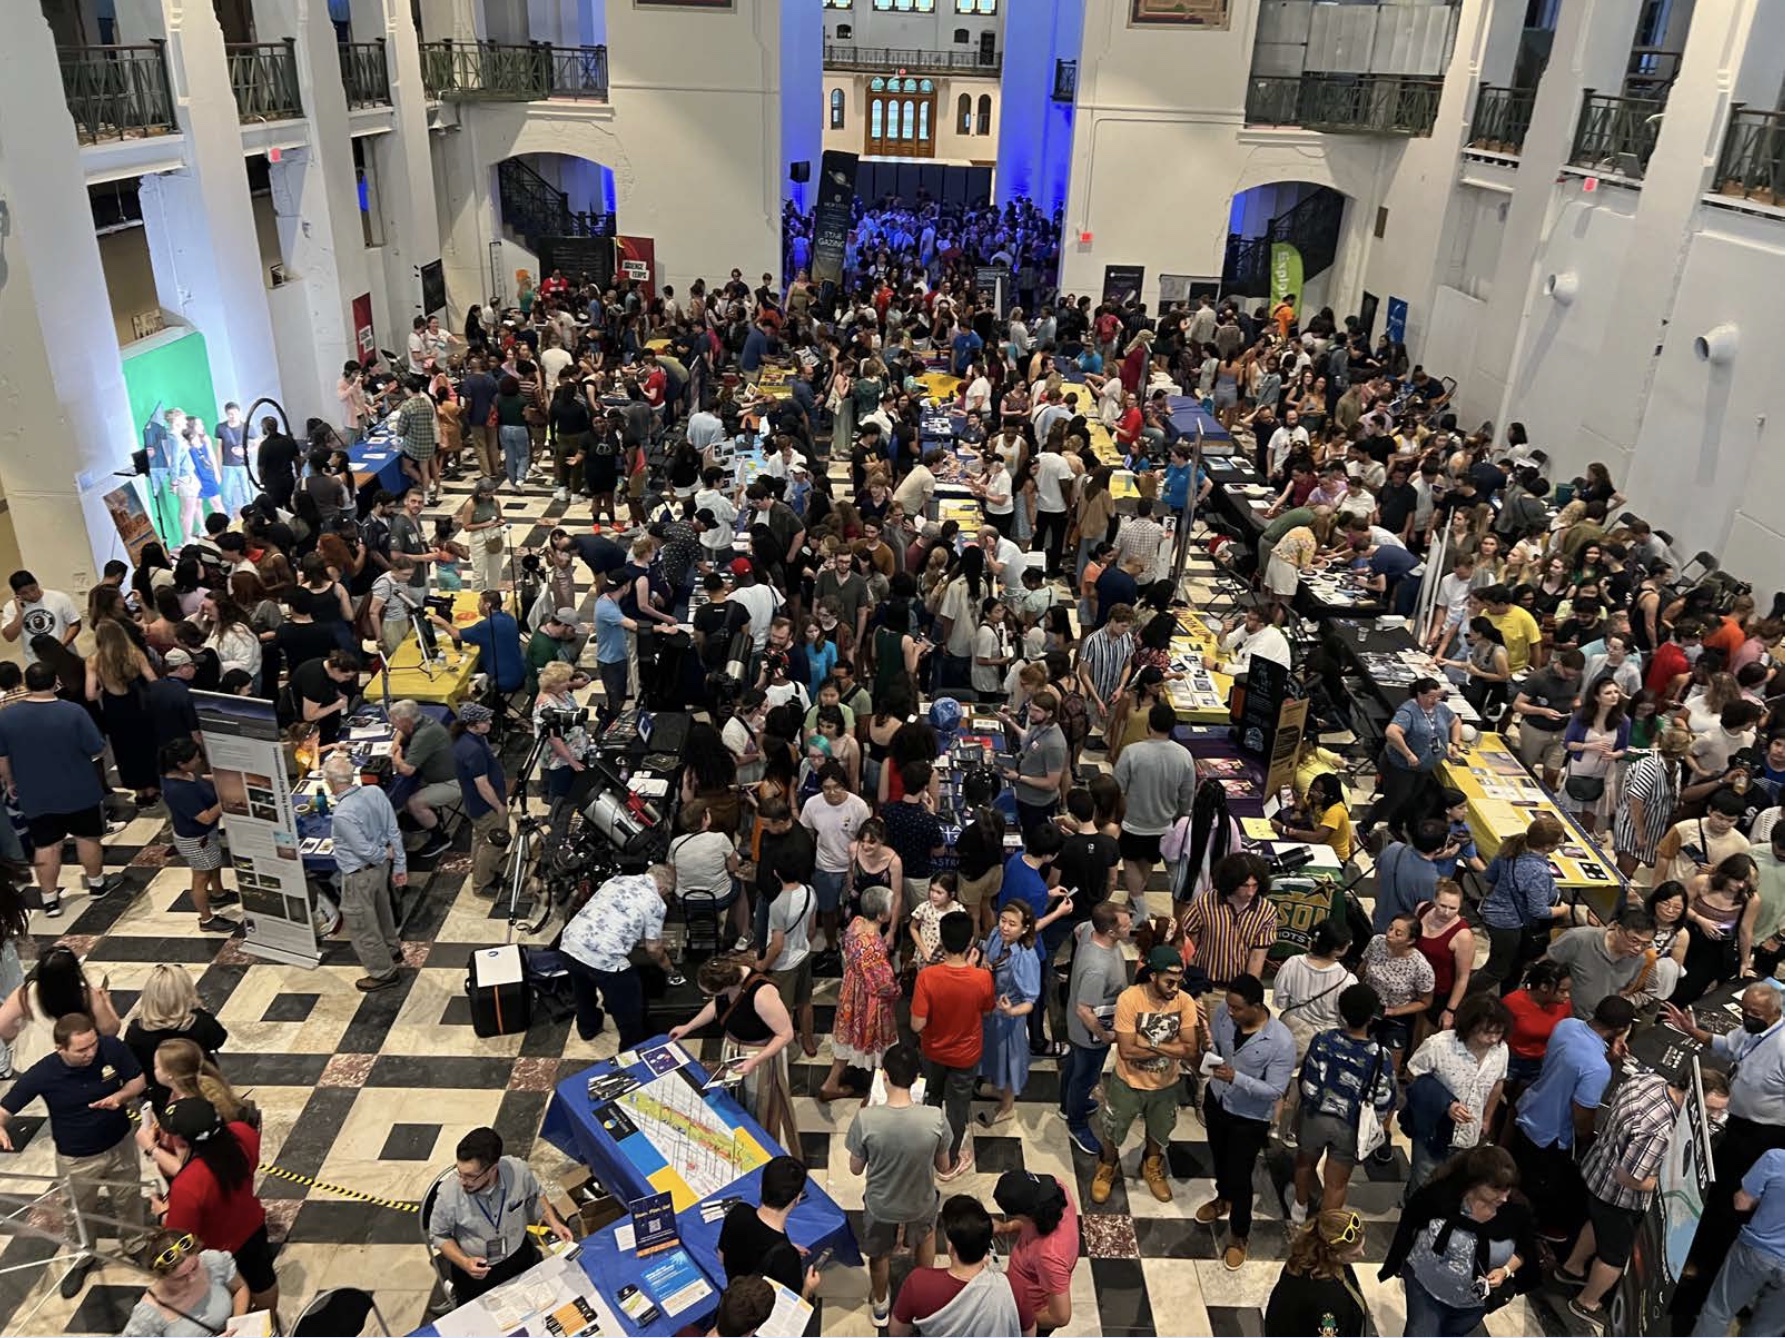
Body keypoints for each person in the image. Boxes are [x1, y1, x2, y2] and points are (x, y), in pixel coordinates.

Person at [0, 1013, 151, 1296]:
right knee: (78, 1212)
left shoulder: (111, 1048)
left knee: (129, 1198)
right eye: (81, 1049)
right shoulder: (44, 1073)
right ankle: (83, 1256)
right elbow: (7, 1106)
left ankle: (135, 1245)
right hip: (77, 1159)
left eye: (92, 1044)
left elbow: (138, 1081)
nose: (90, 1053)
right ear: (60, 1048)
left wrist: (120, 1097)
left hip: (120, 1144)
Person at [1559, 1060, 1696, 1329]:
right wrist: (1674, 1187)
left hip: (1599, 1172)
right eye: (1711, 1109)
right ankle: (1587, 1302)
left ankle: (1571, 1268)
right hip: (1619, 1197)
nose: (1713, 1117)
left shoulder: (1649, 1081)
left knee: (1598, 1225)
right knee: (1614, 1256)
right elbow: (1631, 1178)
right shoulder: (1661, 1130)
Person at [1506, 995, 1634, 1242]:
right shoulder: (1598, 1068)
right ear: (1621, 1029)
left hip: (1530, 1108)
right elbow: (1582, 1114)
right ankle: (1532, 1230)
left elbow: (1571, 1063)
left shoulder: (1567, 1026)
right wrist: (1585, 1139)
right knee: (1541, 1190)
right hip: (1551, 1135)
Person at [0, 662, 124, 915]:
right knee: (87, 837)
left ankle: (50, 899)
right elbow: (96, 747)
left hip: (35, 793)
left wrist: (10, 782)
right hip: (79, 788)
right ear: (55, 681)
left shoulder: (6, 717)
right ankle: (97, 885)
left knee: (46, 845)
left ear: (27, 683)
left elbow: (2, 757)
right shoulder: (73, 712)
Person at [142, 1096, 278, 1319]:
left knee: (226, 1296)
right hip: (251, 1224)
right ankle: (269, 1323)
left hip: (216, 1247)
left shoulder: (188, 1185)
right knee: (262, 1279)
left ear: (183, 1142)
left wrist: (163, 1212)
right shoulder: (243, 1133)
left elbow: (180, 1239)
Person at [845, 1041, 951, 1329]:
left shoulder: (866, 1119)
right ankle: (923, 1299)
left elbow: (855, 1169)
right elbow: (943, 1167)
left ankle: (881, 1304)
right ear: (917, 1078)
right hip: (921, 1202)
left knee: (878, 1254)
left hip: (881, 1206)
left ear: (885, 1076)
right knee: (926, 1240)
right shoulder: (935, 1118)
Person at [1194, 972, 1296, 1270]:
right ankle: (1221, 1198)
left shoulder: (1280, 1042)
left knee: (1241, 1175)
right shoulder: (1226, 1019)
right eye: (1228, 1006)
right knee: (1219, 1157)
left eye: (1237, 1008)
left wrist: (1237, 1078)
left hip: (1249, 1118)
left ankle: (1239, 1235)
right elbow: (1217, 1050)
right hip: (1218, 1100)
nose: (1230, 1012)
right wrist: (1206, 1049)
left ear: (1256, 1006)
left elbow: (1275, 1090)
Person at [1380, 1145, 1535, 1338]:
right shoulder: (1440, 1197)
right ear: (1470, 1186)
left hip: (1472, 1303)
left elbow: (1526, 1250)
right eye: (1489, 1199)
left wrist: (1505, 1271)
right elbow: (1410, 1223)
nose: (1498, 1203)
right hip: (1426, 1289)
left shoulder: (1515, 1210)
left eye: (1502, 1199)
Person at [1094, 945, 1199, 1205]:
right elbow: (1127, 1051)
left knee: (1160, 1130)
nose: (1175, 987)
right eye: (1169, 981)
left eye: (1179, 981)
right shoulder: (1129, 999)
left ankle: (1151, 1165)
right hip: (1128, 1082)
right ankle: (1108, 1164)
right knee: (1113, 1127)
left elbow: (1190, 1049)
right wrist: (1170, 1048)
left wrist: (1149, 1043)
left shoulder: (1184, 1002)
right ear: (1153, 976)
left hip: (1166, 1084)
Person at [670, 954, 799, 1154]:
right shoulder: (726, 979)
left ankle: (766, 1150)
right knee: (736, 1103)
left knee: (762, 1107)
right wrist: (688, 1027)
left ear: (726, 985)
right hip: (733, 1049)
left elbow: (785, 1034)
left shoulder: (762, 993)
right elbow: (717, 1005)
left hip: (759, 1056)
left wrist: (754, 1061)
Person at [428, 1126, 573, 1303]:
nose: (463, 1181)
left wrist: (554, 1222)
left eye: (471, 1176)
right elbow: (439, 1235)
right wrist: (465, 1263)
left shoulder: (518, 1171)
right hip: (476, 1271)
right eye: (460, 1173)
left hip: (520, 1257)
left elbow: (535, 1193)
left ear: (492, 1169)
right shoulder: (449, 1194)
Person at [1291, 983, 1397, 1221]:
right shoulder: (1380, 1055)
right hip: (1351, 1127)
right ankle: (1327, 1229)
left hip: (1315, 1118)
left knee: (1304, 1164)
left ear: (1341, 1011)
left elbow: (1308, 1084)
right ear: (1372, 1017)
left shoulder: (1323, 1040)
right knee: (1336, 1183)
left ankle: (1299, 1209)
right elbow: (1383, 1100)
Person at [911, 911, 995, 1180]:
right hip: (965, 1055)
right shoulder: (982, 978)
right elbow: (987, 1010)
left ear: (942, 943)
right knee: (957, 1109)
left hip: (933, 1051)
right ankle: (947, 1162)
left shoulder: (927, 977)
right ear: (970, 941)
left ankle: (926, 1146)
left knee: (932, 1098)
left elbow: (916, 1025)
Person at [1403, 994, 1510, 1199]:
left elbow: (1498, 1083)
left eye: (1499, 1033)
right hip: (1434, 1130)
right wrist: (1445, 1103)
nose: (1493, 1039)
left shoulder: (1501, 1050)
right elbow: (1412, 1076)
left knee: (1454, 1188)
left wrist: (1487, 1118)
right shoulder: (1438, 1045)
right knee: (1424, 1184)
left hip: (1470, 1134)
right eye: (1487, 1033)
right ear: (1470, 1026)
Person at [561, 865, 680, 1048]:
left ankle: (587, 1028)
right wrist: (669, 968)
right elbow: (654, 948)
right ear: (663, 888)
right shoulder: (656, 903)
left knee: (582, 990)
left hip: (570, 943)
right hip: (604, 959)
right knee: (629, 1008)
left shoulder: (615, 880)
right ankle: (630, 1050)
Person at [888, 1194, 1030, 1338]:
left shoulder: (918, 1282)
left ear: (951, 1245)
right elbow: (1028, 1334)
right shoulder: (1013, 1287)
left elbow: (897, 1333)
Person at [323, 752, 407, 992]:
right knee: (383, 912)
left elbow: (365, 850)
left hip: (359, 875)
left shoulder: (343, 814)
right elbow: (393, 830)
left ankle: (383, 973)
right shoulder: (375, 792)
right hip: (380, 871)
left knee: (362, 925)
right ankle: (392, 950)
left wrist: (385, 855)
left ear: (331, 782)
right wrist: (397, 862)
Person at [1061, 899, 1131, 1156]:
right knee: (1085, 1078)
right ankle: (1076, 1124)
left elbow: (1079, 929)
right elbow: (1084, 1009)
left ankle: (1066, 1106)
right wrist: (1105, 1036)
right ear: (1111, 931)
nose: (1130, 926)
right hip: (1090, 1033)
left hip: (1081, 1029)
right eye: (1125, 925)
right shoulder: (1097, 969)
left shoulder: (1092, 928)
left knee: (1074, 1068)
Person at [1691, 1145, 1784, 1338]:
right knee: (1766, 1332)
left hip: (1755, 1252)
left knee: (1718, 1311)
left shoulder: (1776, 1159)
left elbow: (1741, 1203)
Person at [820, 884, 901, 1101]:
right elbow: (884, 985)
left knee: (845, 1040)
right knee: (881, 1045)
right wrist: (897, 989)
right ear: (882, 915)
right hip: (869, 1001)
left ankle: (830, 1083)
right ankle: (877, 1095)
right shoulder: (873, 947)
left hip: (851, 990)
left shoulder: (856, 924)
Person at [1474, 815, 1569, 995]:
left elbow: (1489, 876)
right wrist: (1563, 909)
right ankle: (1462, 997)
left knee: (1512, 963)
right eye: (1559, 841)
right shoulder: (1538, 871)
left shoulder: (1509, 850)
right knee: (1497, 970)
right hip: (1508, 923)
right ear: (1547, 846)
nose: (1562, 843)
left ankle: (1507, 996)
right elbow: (1538, 910)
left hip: (1493, 912)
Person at [124, 965, 228, 1114]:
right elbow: (219, 1039)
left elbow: (134, 1065)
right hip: (205, 1084)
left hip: (162, 1094)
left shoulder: (137, 1031)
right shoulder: (200, 1022)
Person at [158, 740, 237, 933]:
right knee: (201, 877)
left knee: (214, 864)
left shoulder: (183, 775)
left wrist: (223, 778)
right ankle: (206, 919)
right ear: (181, 763)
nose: (200, 760)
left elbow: (200, 779)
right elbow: (206, 817)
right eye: (195, 758)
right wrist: (228, 799)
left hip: (206, 835)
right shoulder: (178, 790)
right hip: (196, 838)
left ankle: (218, 893)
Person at [716, 1157, 821, 1302]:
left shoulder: (738, 1212)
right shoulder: (787, 1258)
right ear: (797, 1199)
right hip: (760, 1317)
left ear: (761, 1187)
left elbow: (722, 1257)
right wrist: (808, 1288)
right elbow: (793, 1306)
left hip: (733, 1299)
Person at [1370, 678, 1462, 840]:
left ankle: (1396, 825)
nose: (1434, 700)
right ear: (1419, 694)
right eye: (1430, 696)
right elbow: (1392, 732)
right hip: (1401, 766)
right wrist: (1408, 754)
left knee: (1411, 799)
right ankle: (1366, 824)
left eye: (1437, 696)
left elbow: (1455, 721)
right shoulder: (1408, 712)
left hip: (1424, 766)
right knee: (1395, 799)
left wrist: (1454, 743)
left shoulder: (1440, 708)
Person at [992, 1169, 1079, 1333]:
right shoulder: (1056, 1191)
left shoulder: (1049, 1256)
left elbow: (1060, 1316)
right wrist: (1006, 1227)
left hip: (1032, 1310)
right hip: (1021, 1292)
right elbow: (1032, 1222)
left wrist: (1020, 1318)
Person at [1175, 852, 1280, 989]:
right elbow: (1189, 943)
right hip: (1205, 981)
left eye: (1255, 885)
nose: (1250, 892)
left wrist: (1247, 990)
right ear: (1231, 882)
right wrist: (1194, 979)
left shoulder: (1266, 911)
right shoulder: (1206, 902)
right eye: (1245, 886)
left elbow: (1257, 957)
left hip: (1238, 985)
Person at [120, 1229, 249, 1338]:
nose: (192, 1278)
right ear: (162, 1277)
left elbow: (239, 1289)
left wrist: (237, 1325)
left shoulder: (213, 1263)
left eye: (194, 1267)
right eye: (181, 1278)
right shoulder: (147, 1317)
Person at [1264, 1208, 1371, 1337]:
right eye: (1355, 1254)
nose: (1363, 1254)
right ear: (1334, 1254)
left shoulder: (1303, 1258)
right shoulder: (1330, 1299)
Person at [387, 699, 459, 858]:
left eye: (395, 721)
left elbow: (407, 770)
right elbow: (400, 732)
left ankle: (440, 838)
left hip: (453, 782)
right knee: (407, 790)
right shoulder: (421, 719)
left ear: (405, 721)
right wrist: (397, 742)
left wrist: (396, 756)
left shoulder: (424, 735)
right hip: (439, 773)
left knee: (414, 802)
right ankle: (418, 820)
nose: (393, 725)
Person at [450, 703, 508, 901]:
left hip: (474, 803)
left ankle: (480, 868)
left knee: (480, 837)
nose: (490, 723)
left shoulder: (470, 739)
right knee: (493, 843)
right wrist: (499, 806)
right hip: (485, 805)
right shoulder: (472, 750)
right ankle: (482, 884)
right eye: (485, 721)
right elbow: (482, 785)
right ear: (473, 724)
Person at [1546, 916, 1652, 1018]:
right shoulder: (1579, 938)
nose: (1638, 948)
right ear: (1618, 930)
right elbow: (1545, 970)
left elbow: (1623, 991)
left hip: (1596, 1022)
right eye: (1634, 941)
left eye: (1645, 944)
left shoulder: (1639, 959)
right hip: (1561, 1014)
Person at [1371, 819, 1448, 932]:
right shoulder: (1432, 879)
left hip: (1379, 921)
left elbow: (1376, 882)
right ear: (1439, 848)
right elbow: (1425, 916)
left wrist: (1380, 906)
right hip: (1402, 934)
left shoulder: (1393, 848)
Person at [1, 570, 81, 665]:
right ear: (17, 594)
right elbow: (9, 637)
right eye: (24, 593)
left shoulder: (59, 598)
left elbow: (75, 623)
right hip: (36, 662)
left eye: (33, 589)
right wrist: (20, 614)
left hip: (65, 656)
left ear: (37, 583)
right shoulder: (11, 607)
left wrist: (61, 646)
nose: (31, 595)